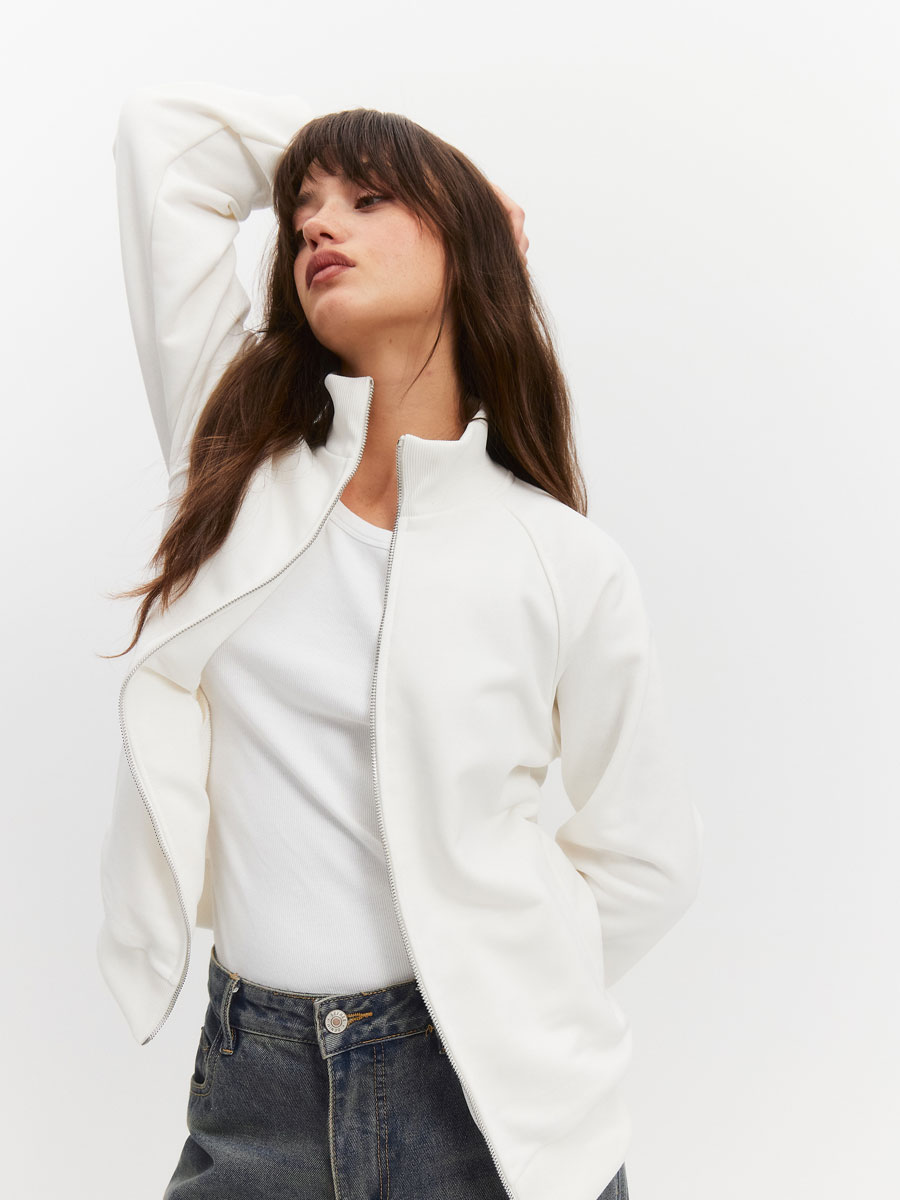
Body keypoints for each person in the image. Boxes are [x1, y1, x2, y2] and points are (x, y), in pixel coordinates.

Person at [96, 81, 703, 1200]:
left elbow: (648, 860)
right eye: (302, 214)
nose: (318, 227)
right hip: (258, 1095)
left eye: (368, 199)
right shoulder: (233, 466)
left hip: (491, 1110)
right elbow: (161, 150)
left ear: (466, 251)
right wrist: (396, 179)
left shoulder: (560, 557)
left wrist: (501, 981)